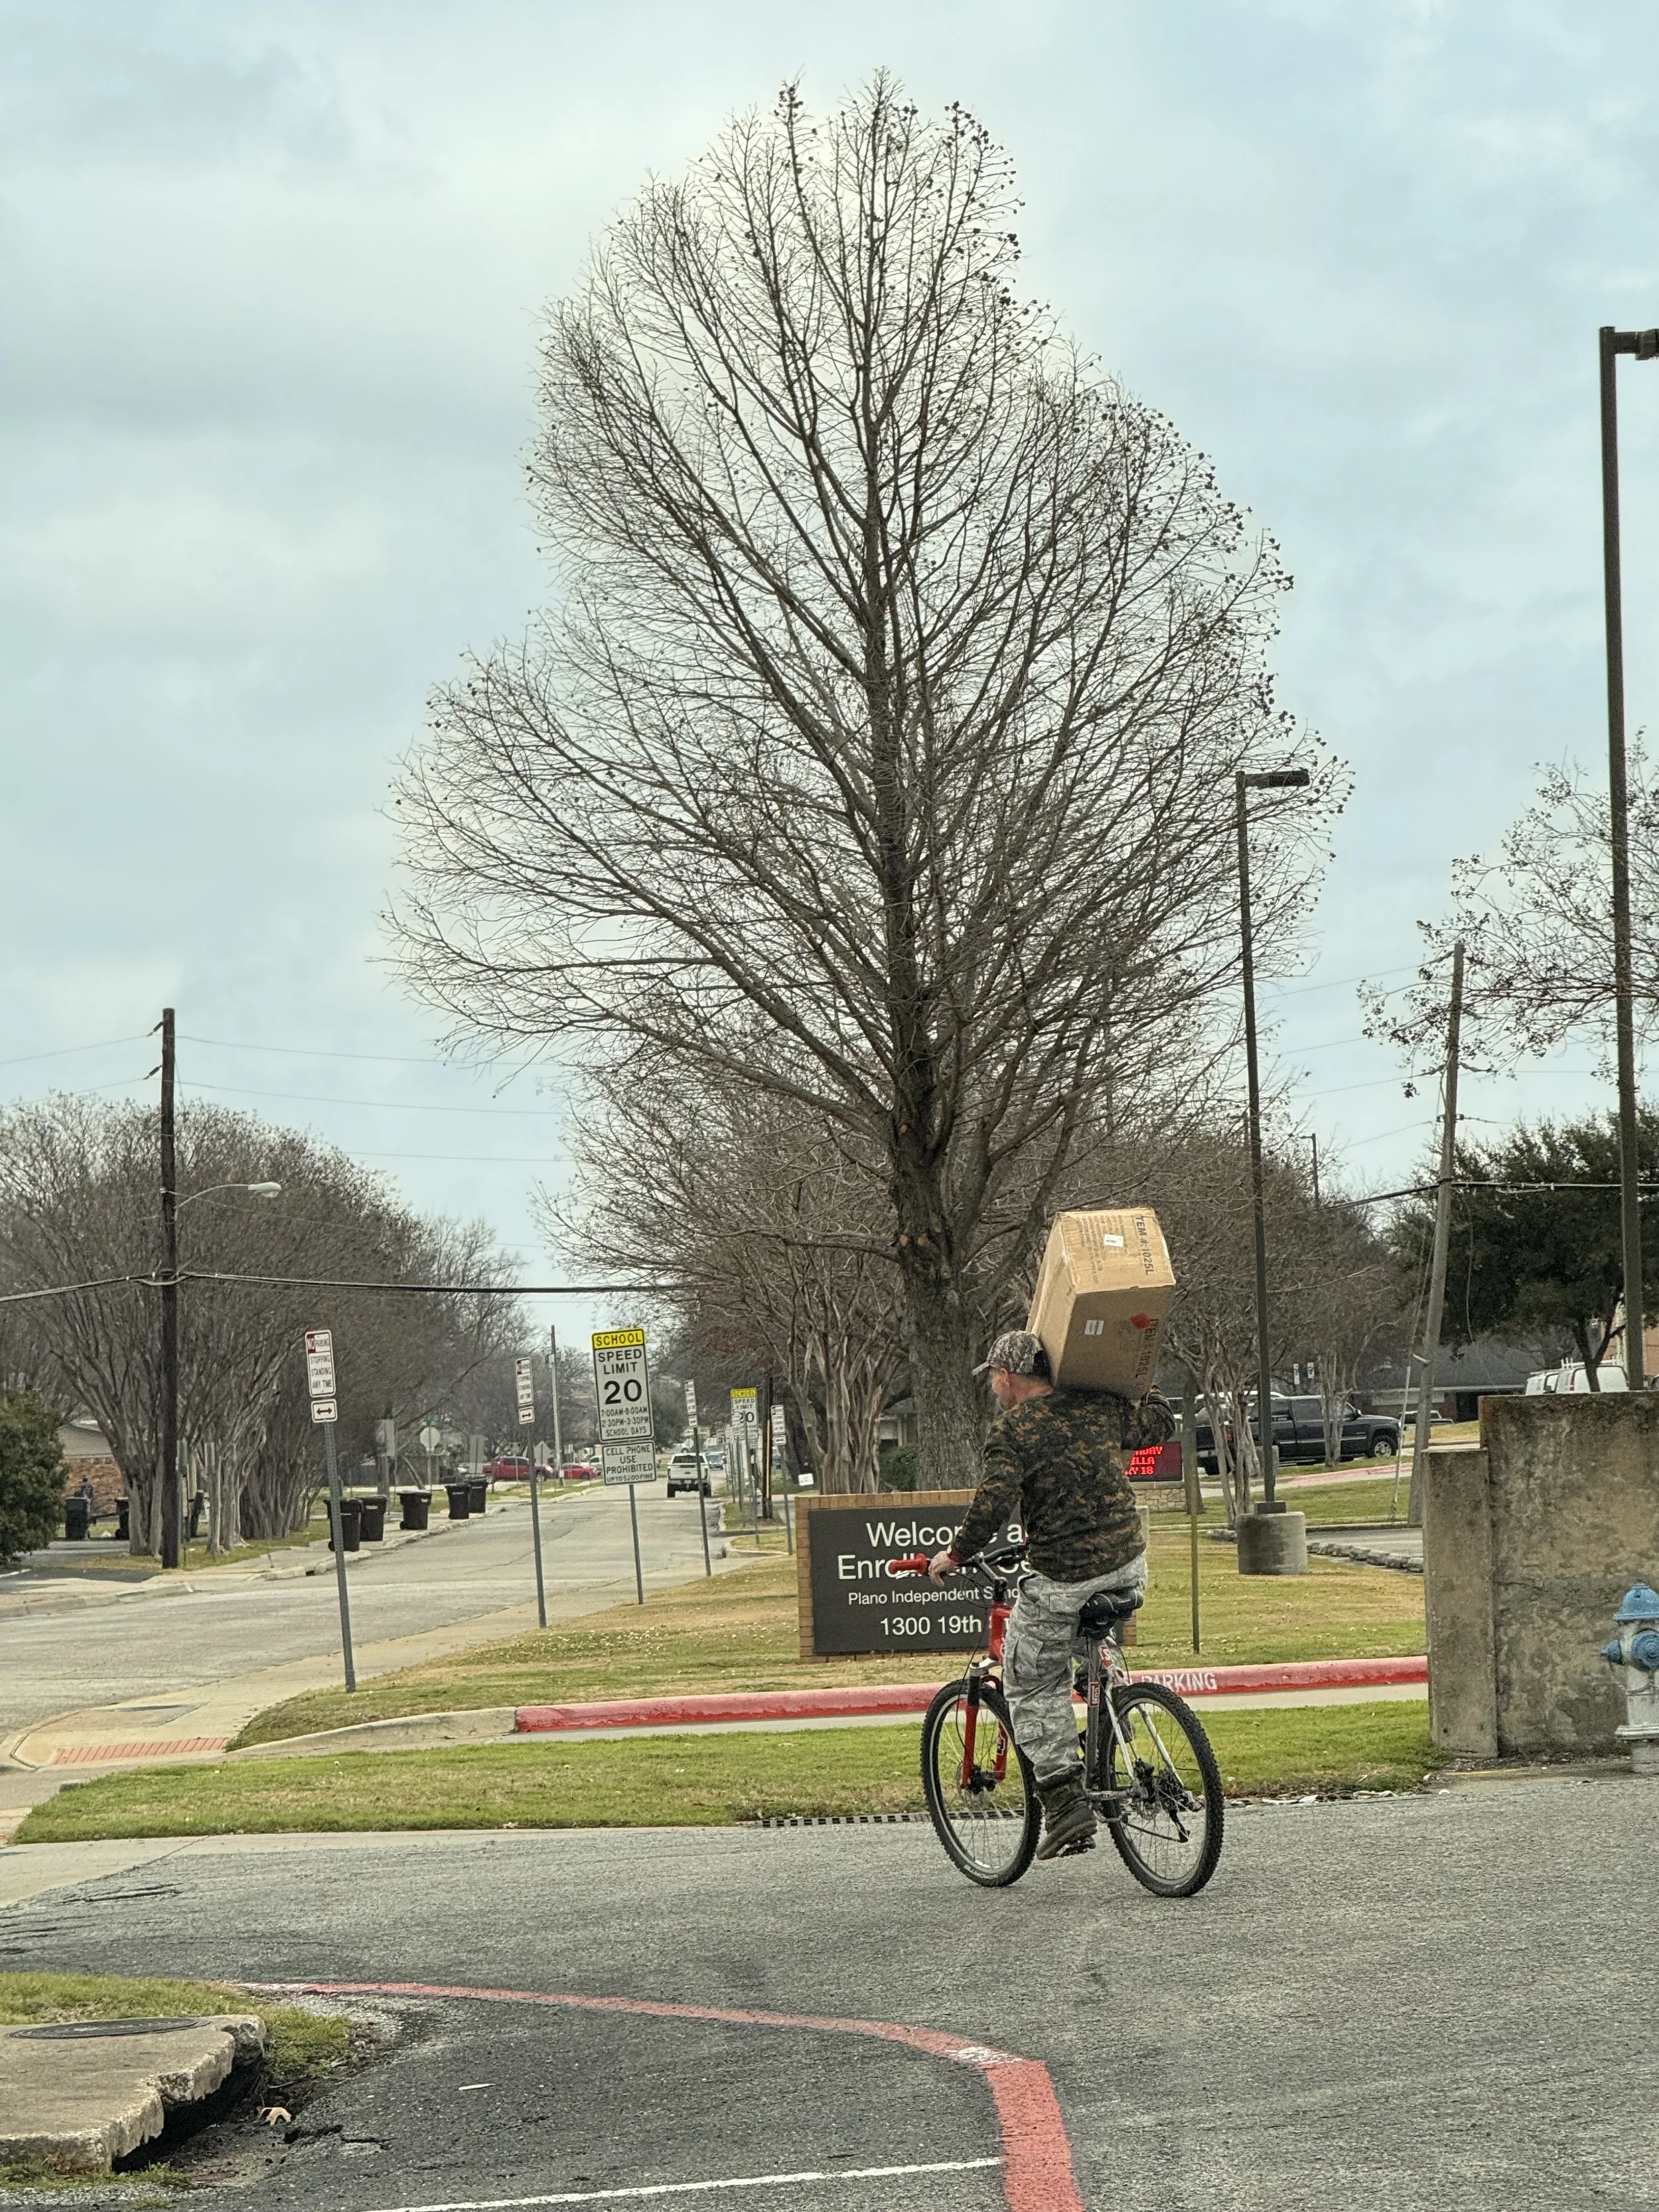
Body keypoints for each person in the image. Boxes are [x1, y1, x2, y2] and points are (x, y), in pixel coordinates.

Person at [928, 1328, 1173, 1861]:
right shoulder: (1099, 1406)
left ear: (1011, 1377)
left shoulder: (1014, 1430)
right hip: (1128, 1566)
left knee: (1030, 1682)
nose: (993, 1386)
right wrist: (1140, 1374)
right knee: (1085, 1649)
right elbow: (1160, 1423)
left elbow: (992, 1502)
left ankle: (1065, 1806)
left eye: (994, 1376)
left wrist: (955, 1553)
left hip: (1065, 1578)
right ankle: (1111, 1708)